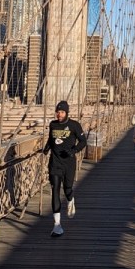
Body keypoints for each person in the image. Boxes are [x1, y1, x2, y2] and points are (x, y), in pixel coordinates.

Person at [42, 100, 87, 237]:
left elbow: (83, 142)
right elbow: (51, 138)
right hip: (55, 163)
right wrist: (46, 148)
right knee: (55, 189)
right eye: (58, 112)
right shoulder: (53, 125)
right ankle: (57, 225)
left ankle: (70, 199)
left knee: (67, 188)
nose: (59, 114)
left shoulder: (74, 125)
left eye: (62, 112)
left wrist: (73, 150)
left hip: (69, 163)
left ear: (67, 112)